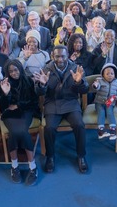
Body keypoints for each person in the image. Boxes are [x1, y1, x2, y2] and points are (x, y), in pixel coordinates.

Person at [35, 45, 89, 174]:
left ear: (67, 56)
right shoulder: (45, 69)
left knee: (79, 125)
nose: (60, 59)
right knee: (49, 128)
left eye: (63, 56)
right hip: (52, 104)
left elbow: (85, 89)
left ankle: (81, 156)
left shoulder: (76, 68)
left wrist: (78, 82)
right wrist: (42, 84)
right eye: (57, 56)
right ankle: (50, 156)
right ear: (53, 56)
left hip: (70, 103)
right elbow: (38, 92)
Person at [0, 59, 41, 186]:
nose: (13, 73)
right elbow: (2, 106)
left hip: (25, 112)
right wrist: (6, 94)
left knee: (21, 132)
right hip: (9, 115)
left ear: (20, 69)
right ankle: (14, 166)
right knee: (15, 132)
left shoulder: (28, 80)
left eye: (15, 70)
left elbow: (34, 102)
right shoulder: (4, 83)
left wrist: (18, 105)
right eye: (10, 71)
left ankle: (32, 167)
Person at [92, 63, 117, 140]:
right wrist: (95, 85)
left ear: (115, 74)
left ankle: (113, 130)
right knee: (101, 112)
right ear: (103, 74)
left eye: (112, 73)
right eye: (107, 74)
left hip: (110, 103)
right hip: (99, 103)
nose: (110, 75)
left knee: (109, 112)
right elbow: (96, 88)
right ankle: (101, 131)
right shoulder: (99, 81)